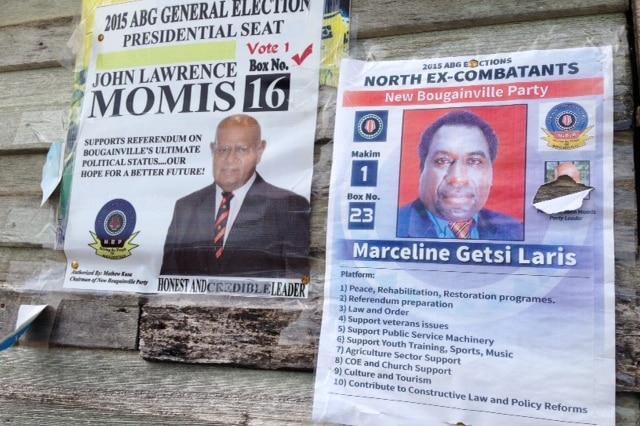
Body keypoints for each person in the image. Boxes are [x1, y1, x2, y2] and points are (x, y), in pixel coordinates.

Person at [161, 114, 310, 277]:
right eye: (223, 149)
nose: (230, 159)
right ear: (212, 149)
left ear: (260, 151)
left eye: (242, 149)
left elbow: (299, 283)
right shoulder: (186, 207)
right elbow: (168, 281)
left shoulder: (288, 207)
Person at [397, 110, 523, 240]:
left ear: (491, 174)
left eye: (474, 161)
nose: (457, 178)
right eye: (442, 161)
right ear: (422, 169)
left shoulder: (515, 231)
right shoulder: (394, 226)